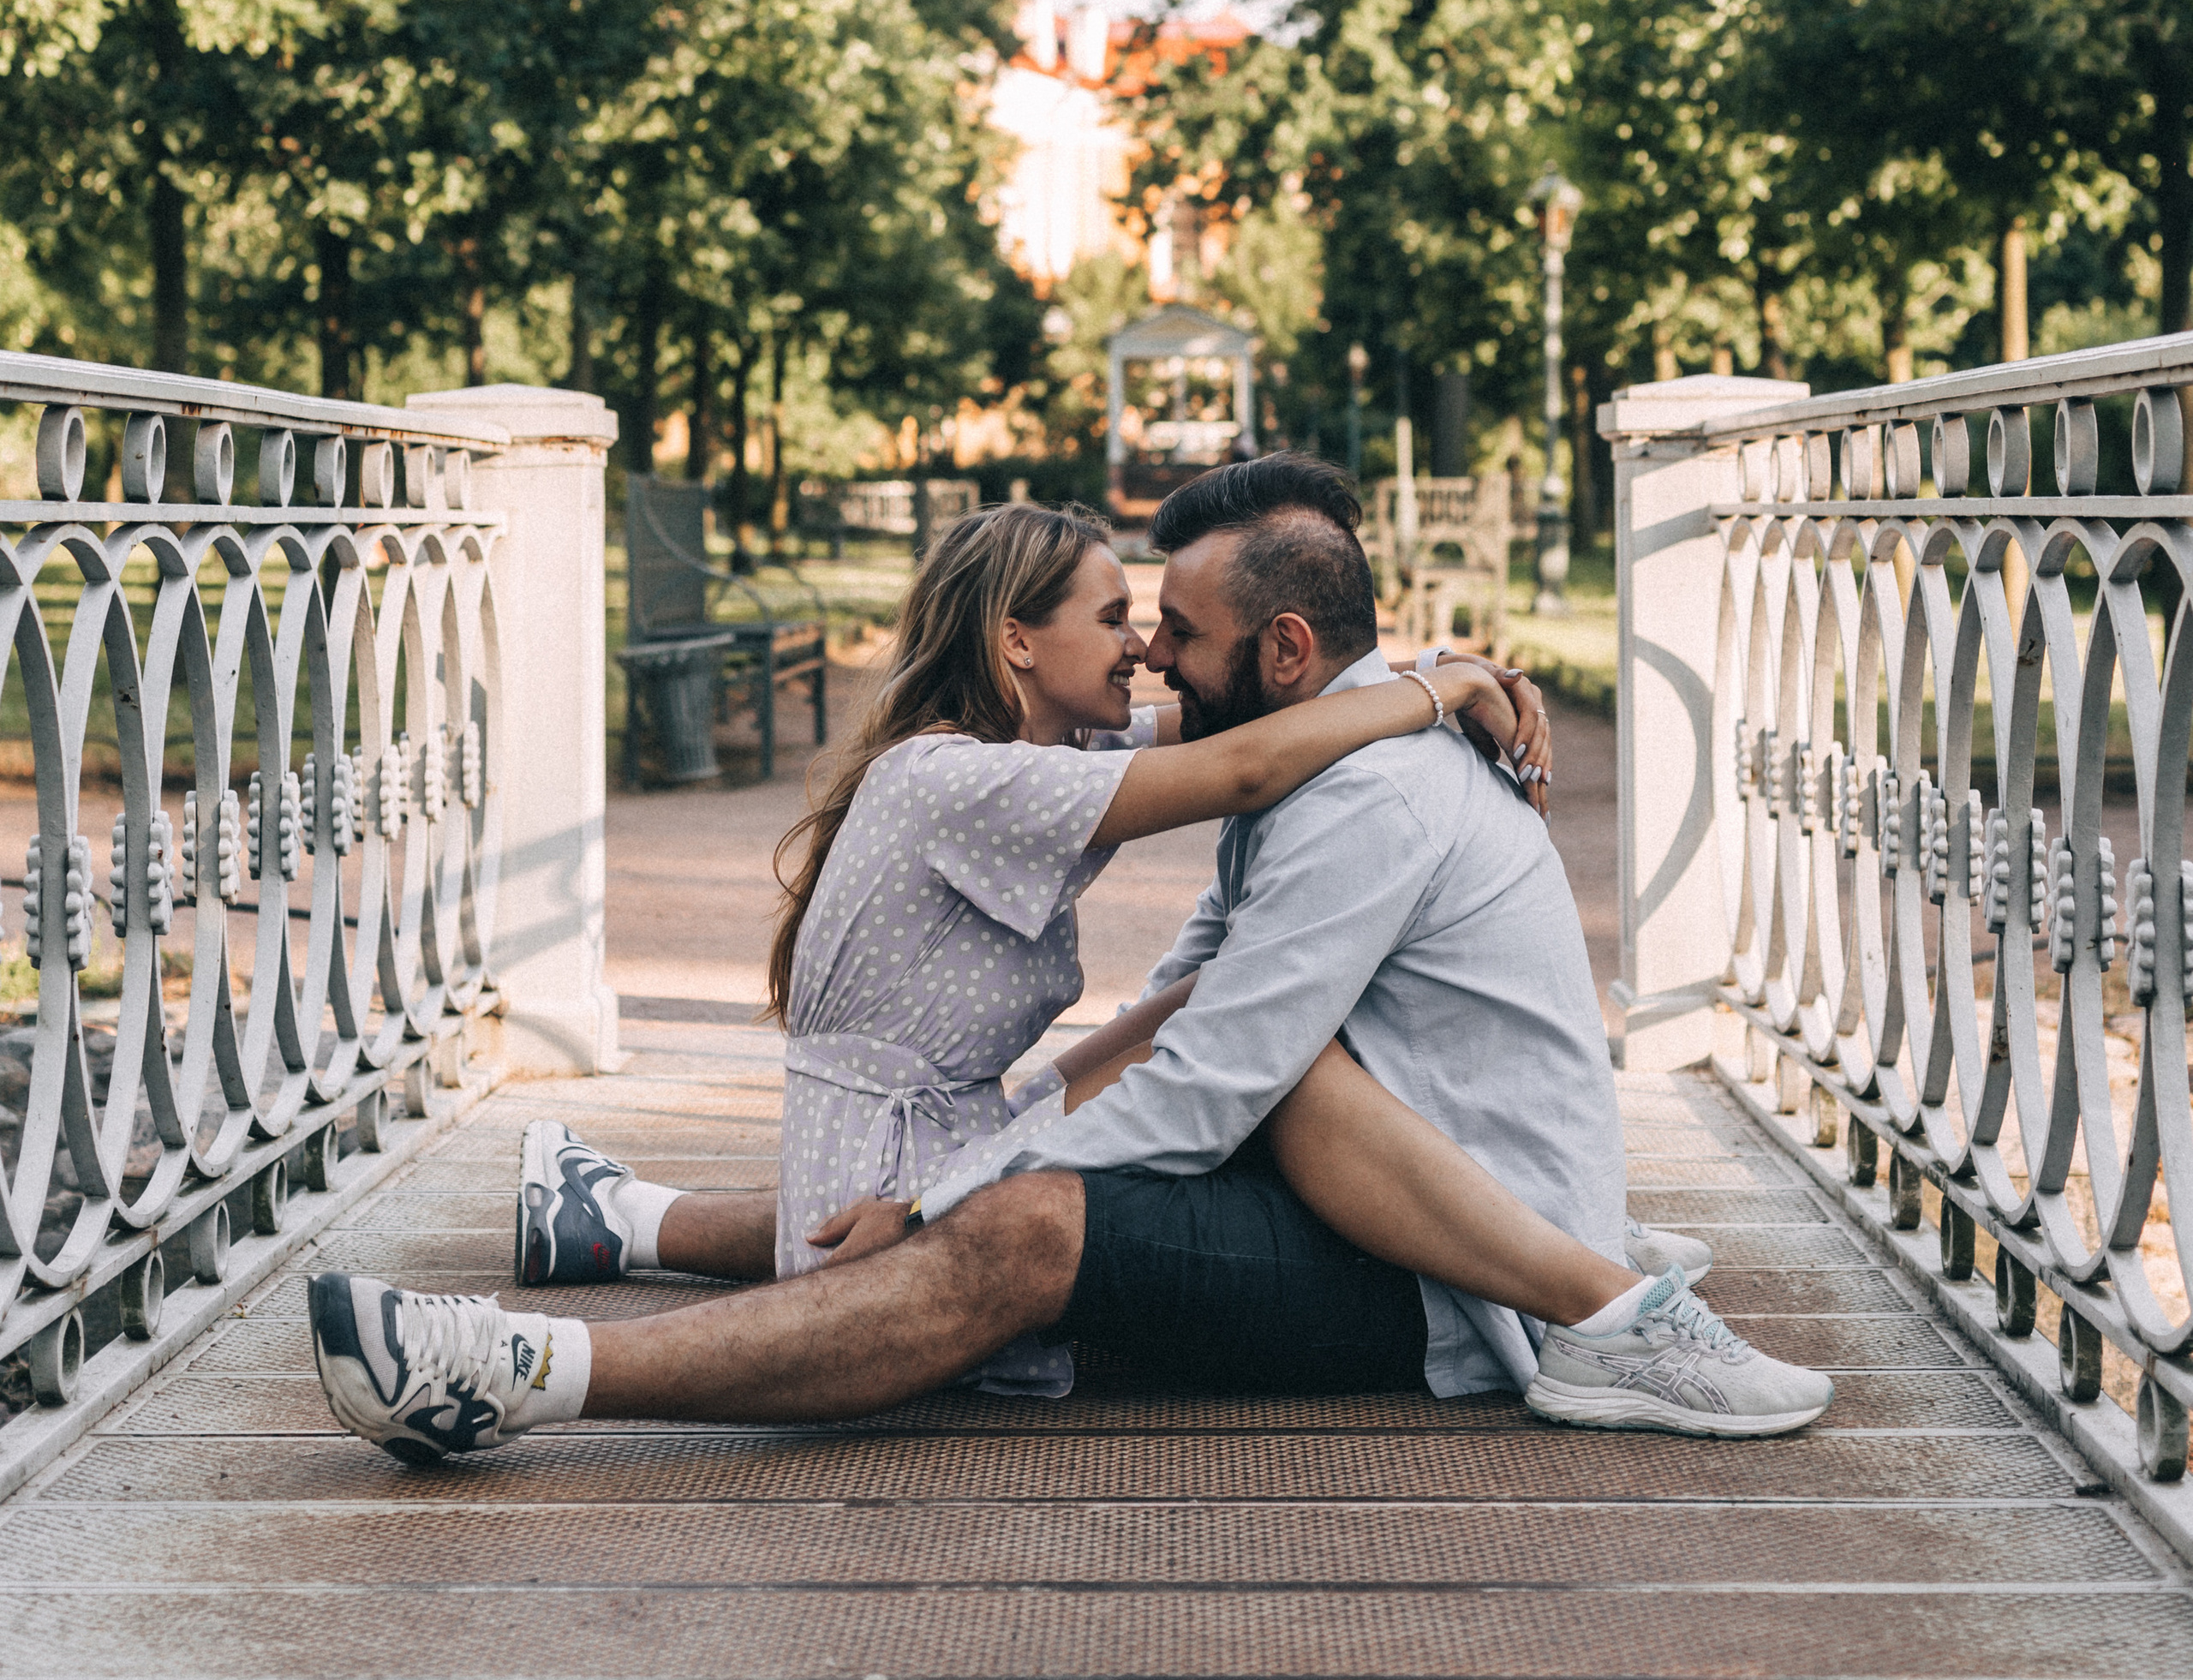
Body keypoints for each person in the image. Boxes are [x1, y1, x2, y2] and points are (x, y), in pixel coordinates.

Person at [311, 463, 1832, 1453]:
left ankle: (520, 1372)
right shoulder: (1295, 754)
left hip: (1464, 1289)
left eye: (1172, 629)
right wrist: (1440, 680)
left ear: (1286, 657)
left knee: (1031, 1219)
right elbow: (1191, 970)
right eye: (1130, 625)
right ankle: (620, 1223)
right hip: (1386, 1206)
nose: (1155, 659)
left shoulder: (1353, 790)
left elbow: (1218, 1073)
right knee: (1042, 1147)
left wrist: (955, 1189)